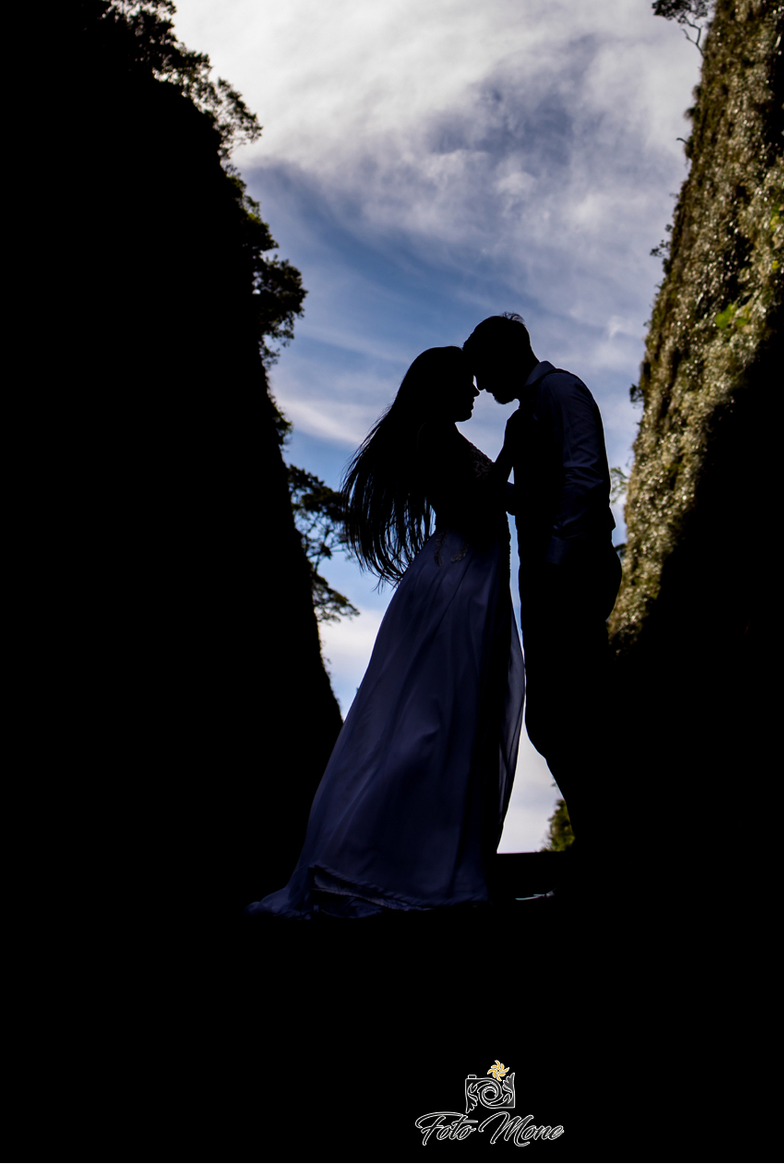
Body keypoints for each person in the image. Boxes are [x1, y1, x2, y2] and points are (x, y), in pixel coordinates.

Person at [247, 347, 523, 919]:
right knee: (434, 718)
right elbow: (471, 511)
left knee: (452, 717)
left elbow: (496, 499)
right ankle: (385, 860)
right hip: (457, 584)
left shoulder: (443, 435)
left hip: (471, 581)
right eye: (465, 383)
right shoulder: (432, 436)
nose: (475, 392)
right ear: (442, 386)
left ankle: (425, 855)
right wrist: (510, 455)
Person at [462, 315, 621, 869]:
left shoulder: (561, 392)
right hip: (544, 579)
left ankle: (610, 844)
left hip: (571, 573)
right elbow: (531, 497)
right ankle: (602, 839)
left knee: (572, 710)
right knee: (557, 715)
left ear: (506, 357)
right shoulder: (520, 418)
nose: (480, 385)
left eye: (483, 371)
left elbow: (586, 478)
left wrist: (554, 562)